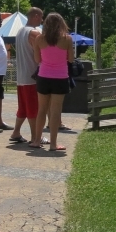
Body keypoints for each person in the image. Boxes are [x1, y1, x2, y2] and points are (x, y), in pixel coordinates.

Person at [31, 12, 75, 151]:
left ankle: (37, 141)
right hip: (60, 78)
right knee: (55, 111)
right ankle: (53, 144)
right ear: (61, 24)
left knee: (41, 110)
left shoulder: (39, 39)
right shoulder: (67, 39)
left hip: (43, 77)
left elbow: (37, 60)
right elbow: (71, 59)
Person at [9, 8, 43, 145]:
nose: (42, 20)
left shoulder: (20, 31)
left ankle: (16, 132)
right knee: (33, 108)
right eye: (41, 17)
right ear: (36, 16)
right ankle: (35, 137)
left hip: (22, 76)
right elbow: (38, 54)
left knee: (23, 108)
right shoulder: (34, 33)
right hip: (32, 76)